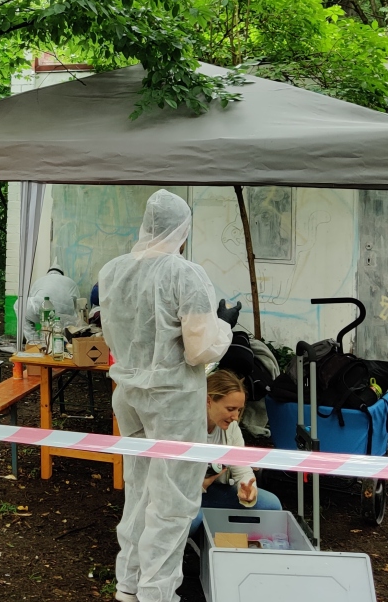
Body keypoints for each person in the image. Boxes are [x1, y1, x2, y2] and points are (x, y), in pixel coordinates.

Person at [99, 189, 232, 602]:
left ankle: (128, 585)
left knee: (139, 493)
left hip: (129, 395)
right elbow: (200, 349)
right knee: (172, 503)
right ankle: (155, 594)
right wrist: (223, 328)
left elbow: (114, 335)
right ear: (182, 229)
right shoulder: (184, 274)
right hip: (173, 400)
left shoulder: (112, 270)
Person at [191, 369, 282, 532]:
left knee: (271, 505)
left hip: (213, 492)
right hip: (183, 495)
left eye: (239, 410)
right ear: (208, 401)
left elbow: (243, 470)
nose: (235, 416)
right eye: (230, 408)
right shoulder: (185, 428)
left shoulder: (231, 428)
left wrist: (247, 490)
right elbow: (175, 485)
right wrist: (204, 483)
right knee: (191, 519)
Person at [23, 263, 79, 347]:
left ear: (48, 273)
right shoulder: (70, 282)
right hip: (63, 316)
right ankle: (65, 344)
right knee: (57, 333)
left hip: (43, 310)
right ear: (62, 273)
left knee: (20, 307)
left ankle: (33, 342)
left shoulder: (39, 281)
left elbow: (32, 300)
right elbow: (77, 303)